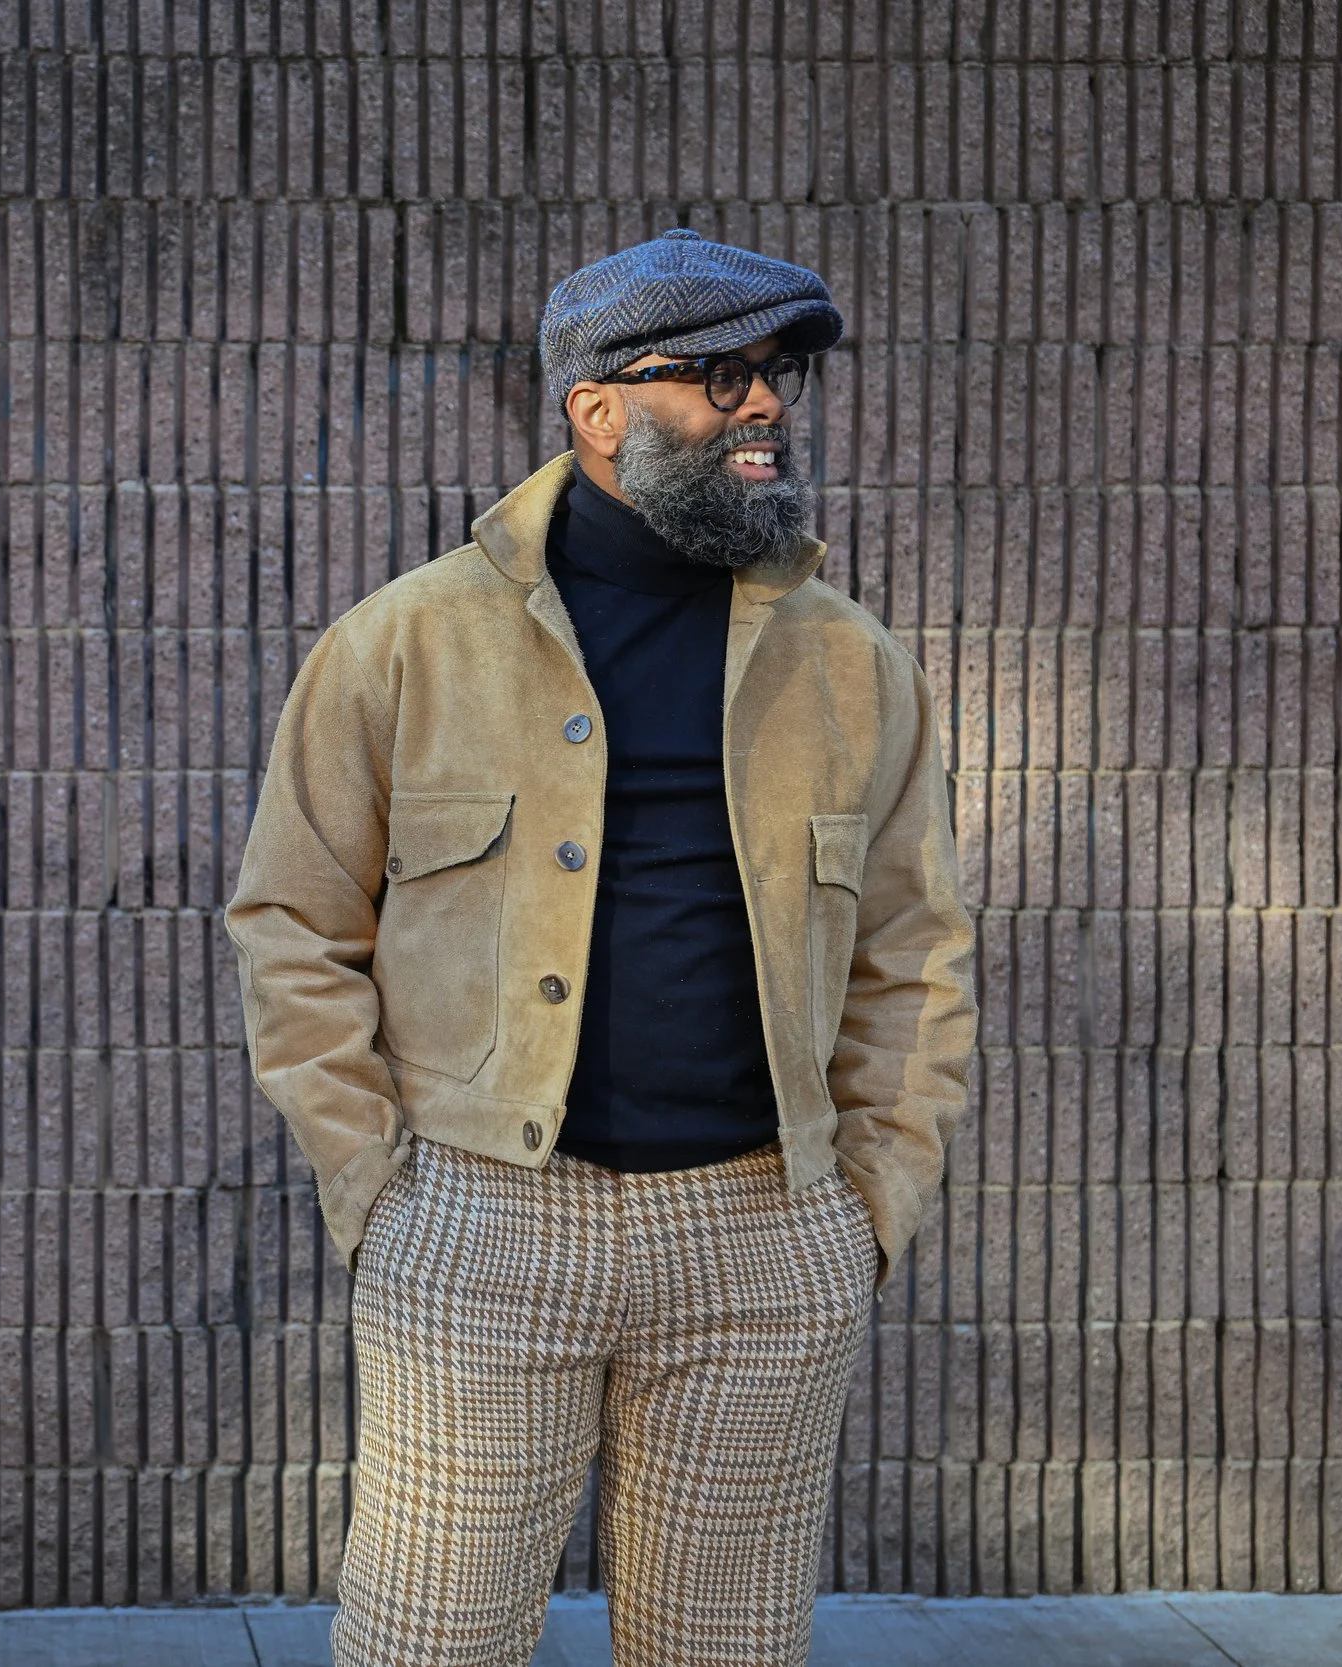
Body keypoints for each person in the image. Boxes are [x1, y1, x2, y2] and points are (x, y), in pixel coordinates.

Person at [226, 228, 977, 1666]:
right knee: (427, 1646)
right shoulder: (404, 645)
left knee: (724, 1652)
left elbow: (916, 950)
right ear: (598, 408)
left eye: (781, 374)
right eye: (721, 376)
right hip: (482, 1223)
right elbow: (293, 924)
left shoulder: (849, 661)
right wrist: (379, 1189)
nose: (766, 405)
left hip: (765, 1236)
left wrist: (868, 1205)